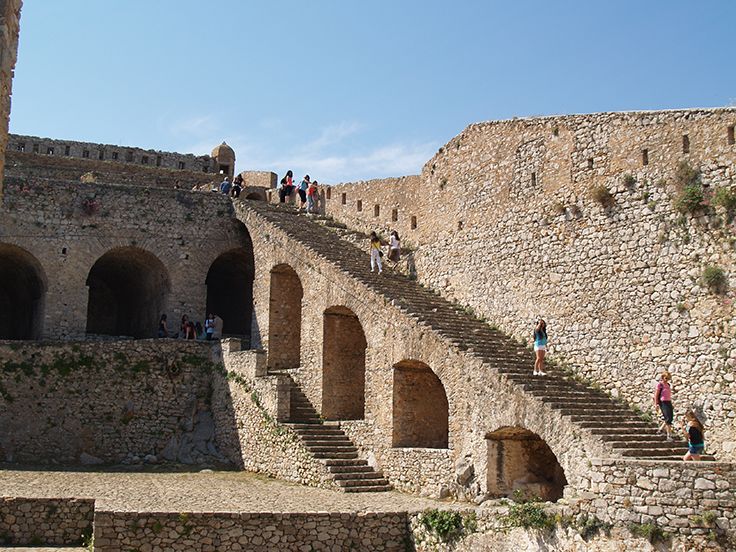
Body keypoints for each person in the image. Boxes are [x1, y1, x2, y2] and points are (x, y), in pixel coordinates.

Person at [654, 370, 674, 440]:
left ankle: (660, 429)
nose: (667, 380)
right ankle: (669, 436)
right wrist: (656, 404)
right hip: (663, 402)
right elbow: (656, 395)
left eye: (668, 378)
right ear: (663, 377)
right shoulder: (660, 385)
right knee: (668, 418)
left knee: (670, 418)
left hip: (668, 402)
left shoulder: (668, 385)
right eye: (666, 378)